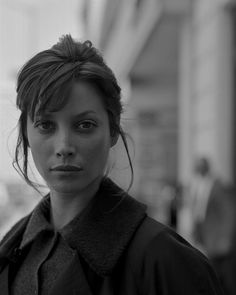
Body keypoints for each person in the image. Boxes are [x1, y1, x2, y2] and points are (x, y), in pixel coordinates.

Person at [0, 35, 224, 295]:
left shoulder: (166, 263)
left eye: (85, 125)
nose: (64, 146)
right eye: (45, 125)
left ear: (113, 129)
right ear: (26, 133)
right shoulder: (12, 250)